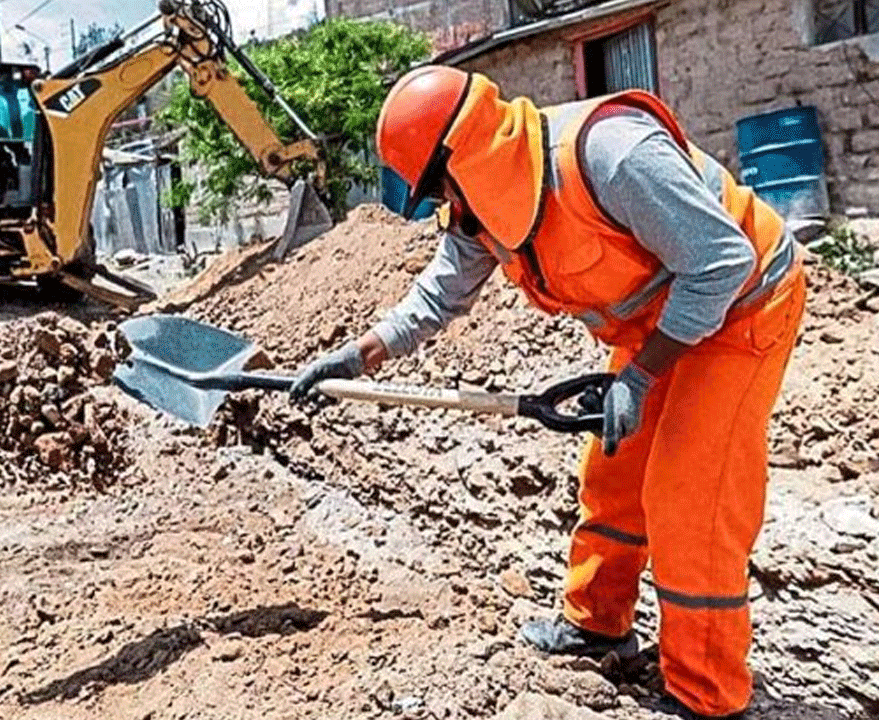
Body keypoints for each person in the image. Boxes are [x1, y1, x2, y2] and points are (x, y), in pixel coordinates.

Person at [291, 67, 805, 720]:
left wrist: (641, 375)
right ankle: (599, 625)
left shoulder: (610, 154)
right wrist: (359, 355)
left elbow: (721, 263)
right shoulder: (484, 209)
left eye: (440, 187)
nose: (446, 205)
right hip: (663, 321)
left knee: (688, 498)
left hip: (743, 306)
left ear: (463, 155)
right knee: (615, 476)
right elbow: (439, 294)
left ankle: (706, 695)